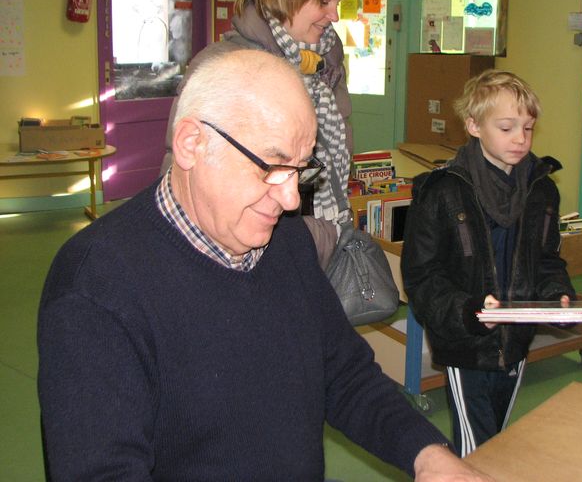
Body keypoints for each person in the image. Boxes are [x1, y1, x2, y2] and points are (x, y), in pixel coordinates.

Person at [38, 50, 494, 482]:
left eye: (300, 169)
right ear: (192, 144)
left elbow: (344, 374)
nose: (291, 199)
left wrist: (428, 454)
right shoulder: (96, 285)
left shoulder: (285, 240)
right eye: (271, 166)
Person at [400, 69, 576, 457]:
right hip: (466, 345)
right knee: (476, 451)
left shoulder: (541, 190)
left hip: (516, 341)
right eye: (507, 128)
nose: (520, 139)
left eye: (528, 129)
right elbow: (422, 277)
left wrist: (557, 295)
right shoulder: (441, 191)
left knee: (497, 442)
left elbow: (546, 260)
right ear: (474, 126)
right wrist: (470, 312)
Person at [162, 0, 355, 268]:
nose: (335, 15)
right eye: (324, 1)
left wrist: (325, 236)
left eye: (337, 2)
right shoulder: (226, 66)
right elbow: (182, 183)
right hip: (245, 255)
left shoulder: (326, 66)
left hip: (318, 245)